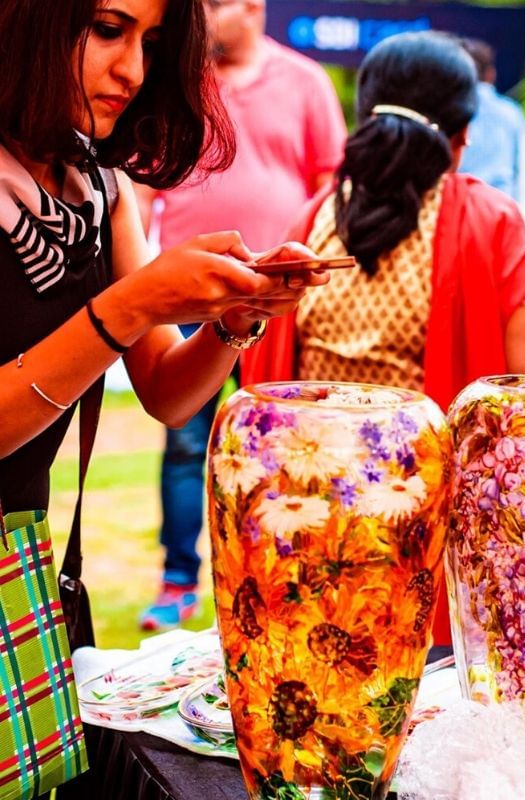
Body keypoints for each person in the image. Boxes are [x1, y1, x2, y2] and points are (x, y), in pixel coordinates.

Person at [0, 0, 329, 623]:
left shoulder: (98, 184)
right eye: (107, 31)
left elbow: (166, 391)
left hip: (20, 561)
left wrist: (237, 314)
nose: (133, 71)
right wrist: (133, 303)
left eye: (151, 44)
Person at [240, 30, 525, 643]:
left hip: (313, 534)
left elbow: (265, 380)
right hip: (427, 540)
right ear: (462, 135)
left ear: (366, 115)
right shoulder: (491, 223)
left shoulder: (311, 221)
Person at [136, 0, 347, 632]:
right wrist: (137, 266)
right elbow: (140, 186)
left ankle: (278, 579)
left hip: (278, 300)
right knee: (184, 441)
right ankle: (178, 581)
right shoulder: (178, 83)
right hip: (187, 299)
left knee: (281, 443)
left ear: (252, 6)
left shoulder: (305, 81)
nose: (198, 15)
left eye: (212, 4)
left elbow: (331, 186)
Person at [457, 37, 525, 201]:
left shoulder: (452, 108)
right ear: (491, 73)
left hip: (460, 200)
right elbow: (519, 164)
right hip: (501, 200)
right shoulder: (511, 112)